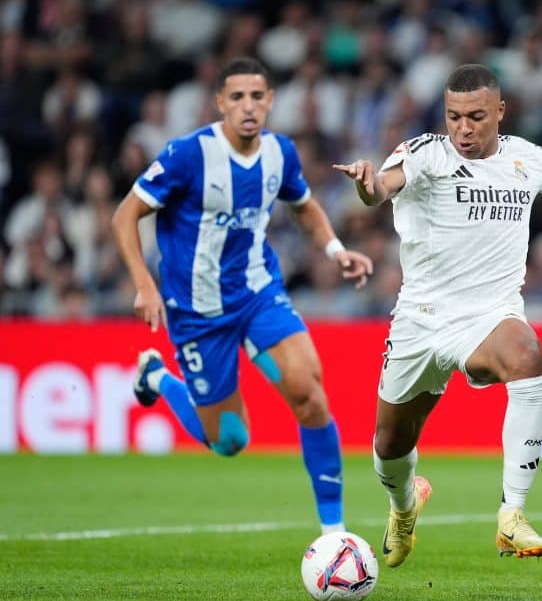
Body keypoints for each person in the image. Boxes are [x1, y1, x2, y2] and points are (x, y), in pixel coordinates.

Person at [332, 64, 542, 567]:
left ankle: (512, 514)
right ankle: (404, 507)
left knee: (526, 353)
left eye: (475, 117)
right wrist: (366, 185)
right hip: (420, 320)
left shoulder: (527, 160)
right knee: (388, 449)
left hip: (489, 316)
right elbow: (383, 186)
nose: (463, 129)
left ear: (499, 112)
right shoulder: (427, 153)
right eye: (453, 117)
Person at [111, 57, 374, 534]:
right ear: (220, 104)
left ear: (271, 101)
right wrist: (144, 284)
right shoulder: (187, 155)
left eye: (257, 96)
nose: (248, 106)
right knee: (229, 440)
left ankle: (334, 533)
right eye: (237, 97)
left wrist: (335, 249)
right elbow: (125, 215)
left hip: (257, 295)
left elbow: (305, 206)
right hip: (196, 313)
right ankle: (158, 377)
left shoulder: (281, 152)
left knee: (310, 394)